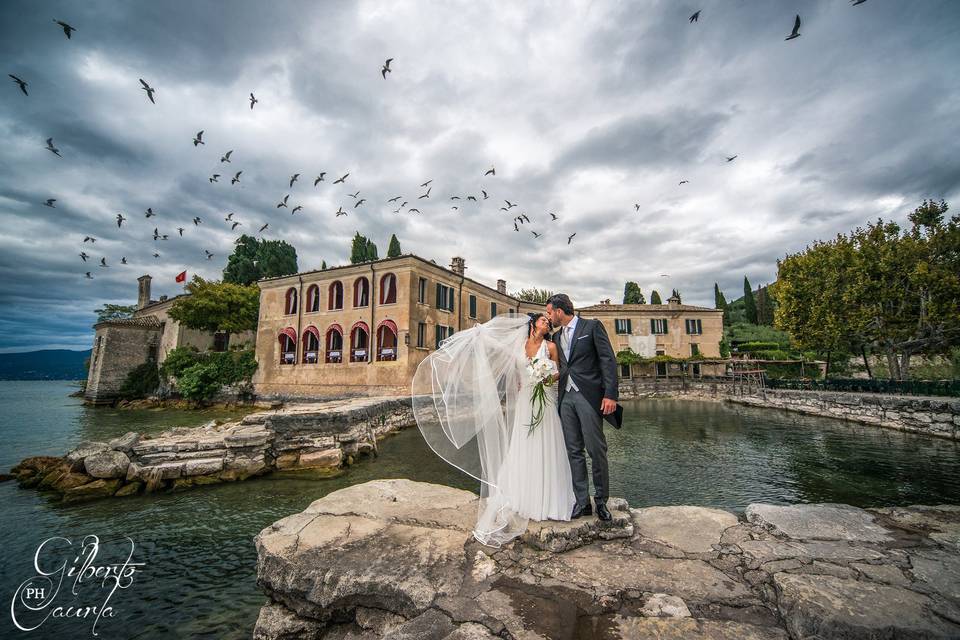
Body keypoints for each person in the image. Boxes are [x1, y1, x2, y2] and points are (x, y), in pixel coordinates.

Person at [411, 312, 577, 547]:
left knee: (547, 444)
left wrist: (545, 377)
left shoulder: (551, 346)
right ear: (532, 324)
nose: (547, 323)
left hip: (545, 401)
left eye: (549, 323)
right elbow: (499, 351)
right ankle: (524, 498)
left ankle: (548, 500)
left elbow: (559, 371)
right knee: (523, 446)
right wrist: (481, 333)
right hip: (524, 403)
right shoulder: (519, 346)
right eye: (543, 320)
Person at [545, 293, 619, 521]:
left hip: (589, 396)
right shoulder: (556, 338)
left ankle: (601, 501)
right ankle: (582, 502)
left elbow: (608, 360)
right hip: (565, 398)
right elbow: (560, 367)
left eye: (549, 312)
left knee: (596, 450)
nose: (549, 317)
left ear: (559, 311)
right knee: (573, 451)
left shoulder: (592, 326)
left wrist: (610, 395)